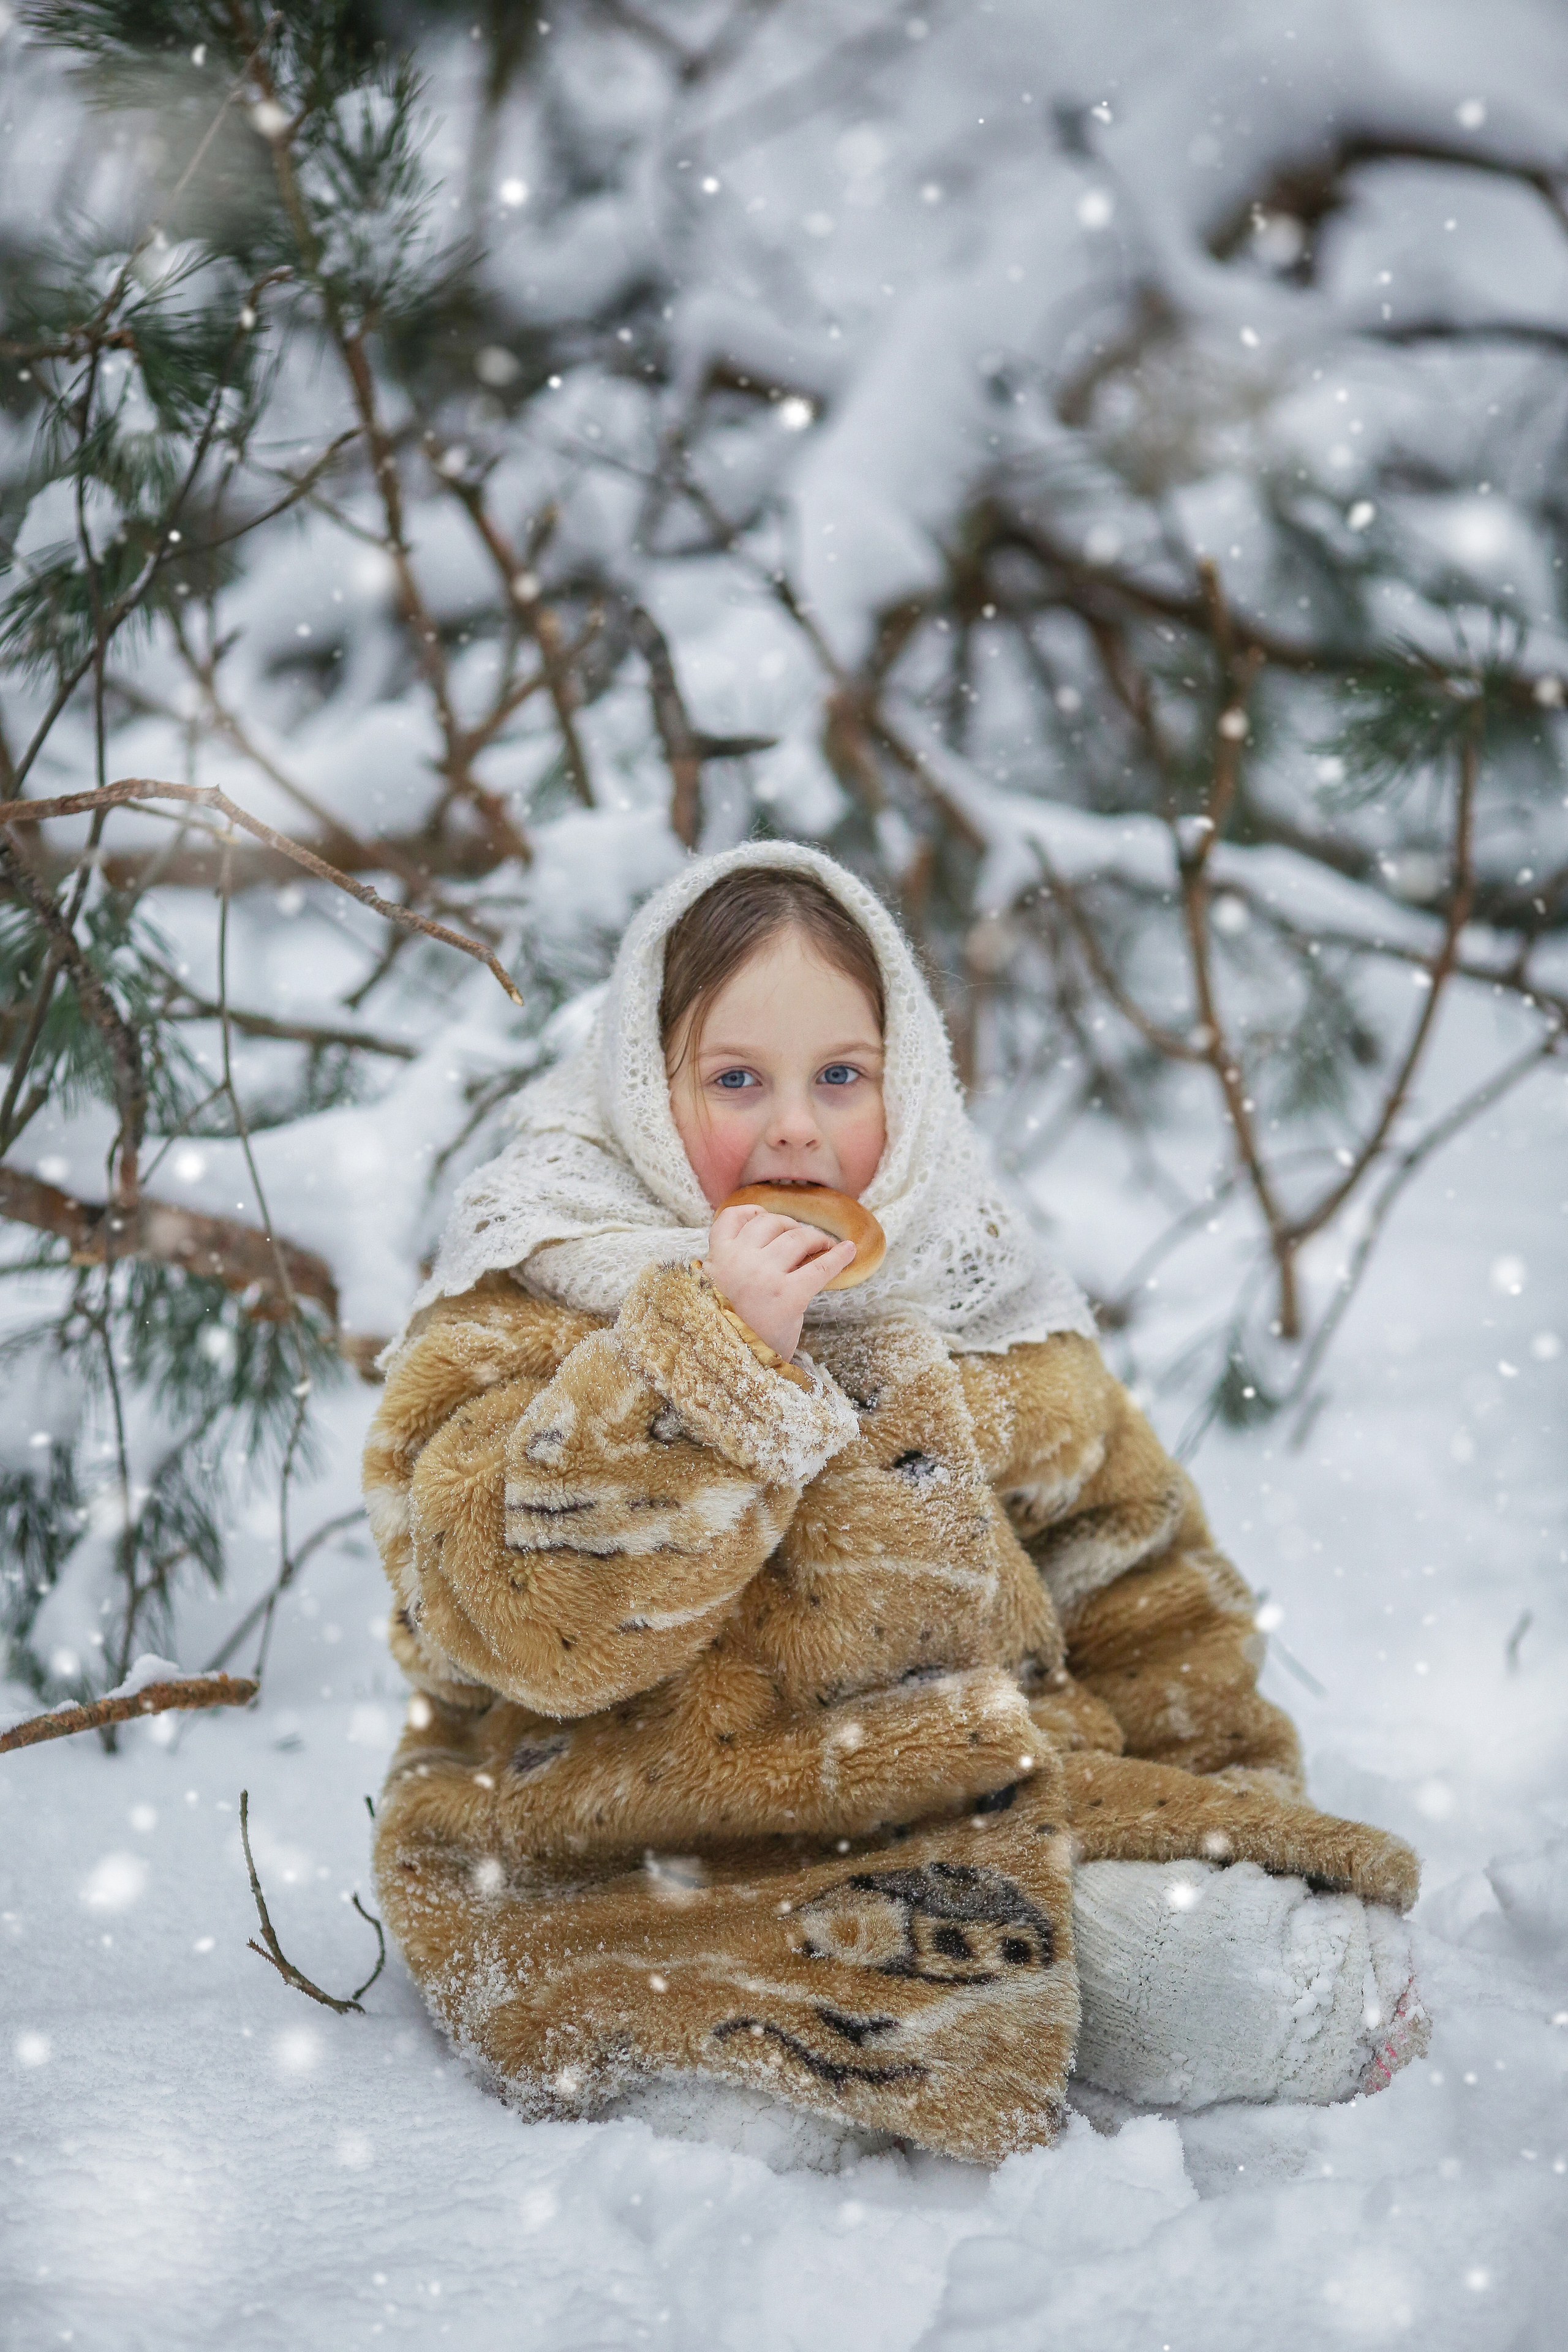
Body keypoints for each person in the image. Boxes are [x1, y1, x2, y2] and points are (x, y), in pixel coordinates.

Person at [364, 843, 1427, 2162]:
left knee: (1227, 1976)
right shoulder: (535, 1287)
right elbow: (516, 1620)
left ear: (905, 1081)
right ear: (644, 1086)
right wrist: (707, 1364)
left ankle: (1136, 1995)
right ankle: (731, 2072)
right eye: (735, 1080)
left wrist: (1222, 1811)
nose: (794, 1128)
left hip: (996, 1829)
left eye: (840, 1077)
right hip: (652, 1854)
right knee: (686, 2008)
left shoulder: (965, 1283)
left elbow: (1136, 1578)